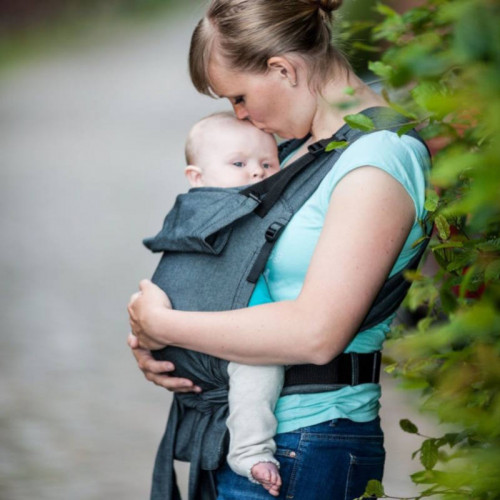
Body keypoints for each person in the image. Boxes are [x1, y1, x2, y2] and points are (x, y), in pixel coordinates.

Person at [128, 1, 431, 499]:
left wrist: (166, 326)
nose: (241, 116)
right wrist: (159, 344)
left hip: (306, 444)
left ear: (283, 68)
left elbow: (316, 333)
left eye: (240, 97)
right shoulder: (295, 147)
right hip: (244, 434)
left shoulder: (379, 159)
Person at [152, 111, 284, 495]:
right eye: (238, 164)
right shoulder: (199, 217)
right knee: (261, 366)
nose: (256, 173)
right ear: (197, 178)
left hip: (237, 330)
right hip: (227, 339)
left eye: (267, 163)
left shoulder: (271, 206)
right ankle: (250, 450)